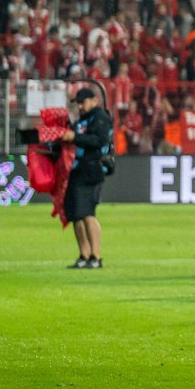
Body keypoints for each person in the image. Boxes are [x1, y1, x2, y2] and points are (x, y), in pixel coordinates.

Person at [60, 85, 113, 269]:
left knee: (88, 214)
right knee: (75, 214)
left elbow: (99, 141)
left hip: (92, 170)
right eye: (78, 103)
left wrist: (74, 137)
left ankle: (96, 256)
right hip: (77, 170)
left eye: (83, 102)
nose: (80, 106)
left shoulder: (100, 117)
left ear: (94, 101)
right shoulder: (82, 119)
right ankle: (84, 254)